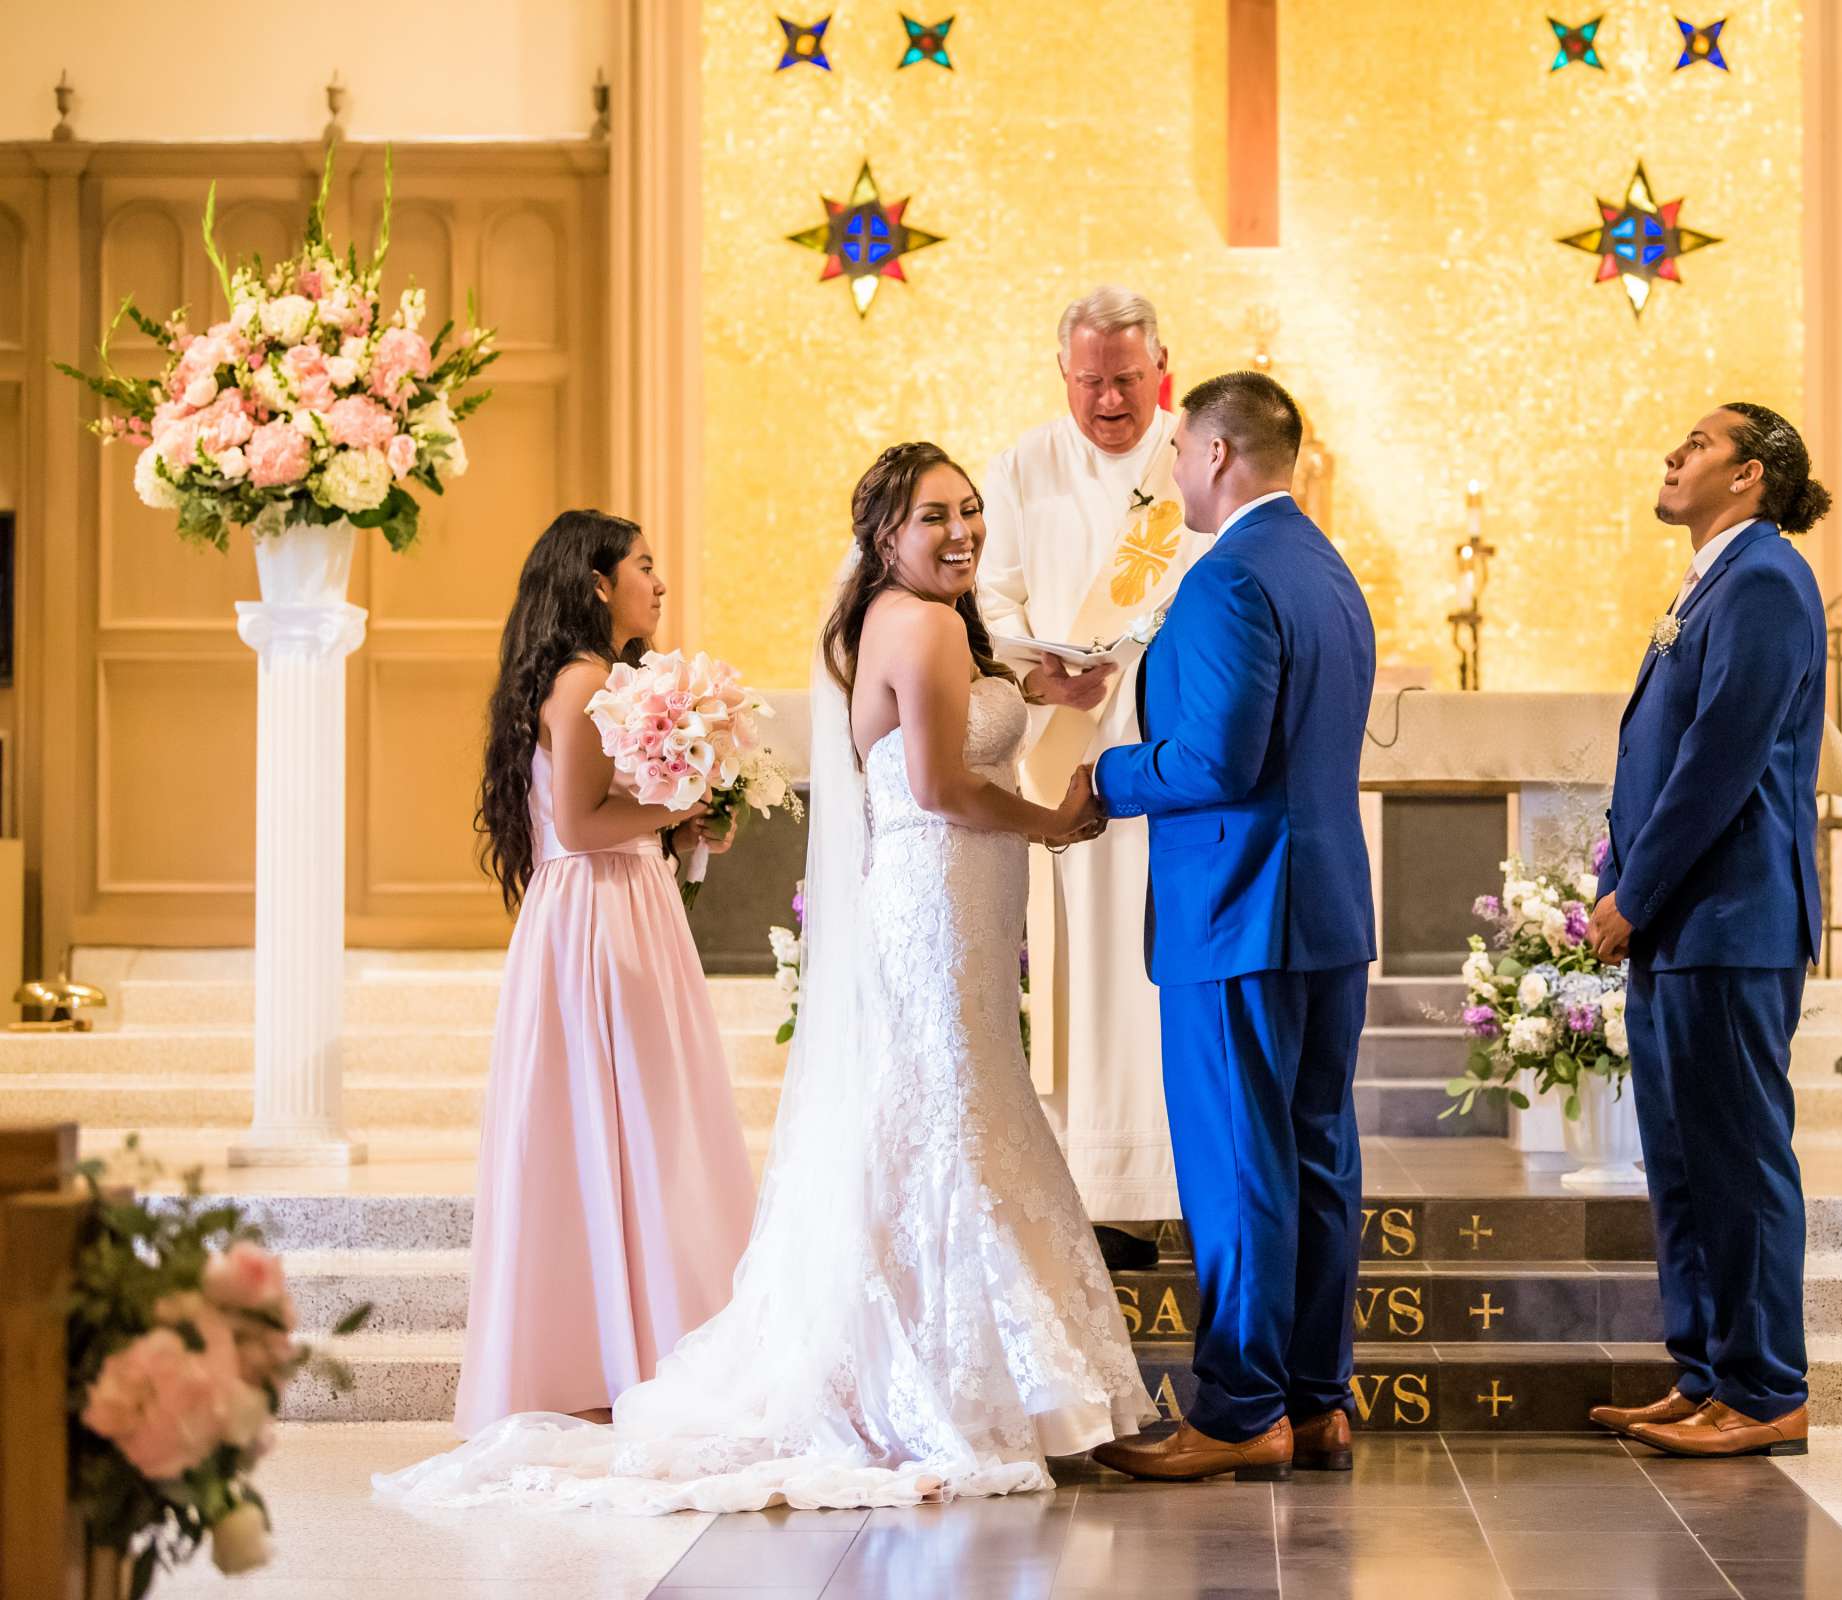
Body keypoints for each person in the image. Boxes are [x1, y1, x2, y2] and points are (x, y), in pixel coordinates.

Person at [377, 446, 1152, 1513]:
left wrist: (1027, 677)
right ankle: (963, 1373)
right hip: (937, 886)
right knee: (952, 1110)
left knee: (949, 1109)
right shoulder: (917, 620)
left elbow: (951, 704)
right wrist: (1056, 823)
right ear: (888, 536)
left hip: (952, 894)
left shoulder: (921, 618)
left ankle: (959, 1361)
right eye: (937, 515)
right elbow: (935, 781)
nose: (964, 528)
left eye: (972, 510)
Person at [1085, 372, 1377, 1484]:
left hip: (1240, 909)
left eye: (1177, 452)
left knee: (1237, 1164)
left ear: (1213, 452)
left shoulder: (1225, 581)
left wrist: (1106, 774)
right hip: (1324, 910)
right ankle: (1314, 1399)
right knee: (1314, 1158)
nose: (1171, 474)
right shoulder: (1327, 567)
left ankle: (1241, 1405)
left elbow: (1216, 760)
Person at [450, 510, 756, 1433]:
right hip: (600, 916)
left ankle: (620, 1347)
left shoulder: (590, 678)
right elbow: (582, 828)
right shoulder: (583, 680)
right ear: (596, 584)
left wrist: (684, 816)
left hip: (618, 904)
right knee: (636, 1127)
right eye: (644, 568)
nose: (658, 586)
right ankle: (637, 1352)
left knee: (618, 1131)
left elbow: (607, 810)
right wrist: (679, 802)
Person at [1583, 403, 1828, 1460]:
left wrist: (1635, 894)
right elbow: (1660, 749)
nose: (1672, 454)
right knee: (1682, 1161)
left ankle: (1767, 1386)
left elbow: (1721, 761)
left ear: (1752, 476)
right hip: (1683, 920)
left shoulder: (1766, 579)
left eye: (1697, 444)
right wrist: (1624, 881)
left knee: (1739, 1158)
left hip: (1730, 916)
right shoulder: (1714, 575)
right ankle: (1705, 1375)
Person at [977, 286, 1208, 1268]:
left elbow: (1211, 579)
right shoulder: (1024, 463)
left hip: (1165, 750)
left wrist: (1136, 648)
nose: (1109, 400)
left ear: (1160, 368)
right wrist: (1038, 663)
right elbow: (987, 590)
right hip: (1062, 746)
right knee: (1080, 969)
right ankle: (1093, 1186)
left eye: (1126, 379)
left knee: (1155, 969)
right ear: (1060, 373)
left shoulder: (1194, 458)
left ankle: (1173, 1181)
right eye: (1090, 381)